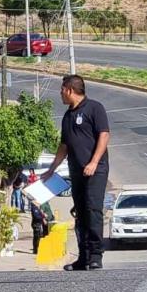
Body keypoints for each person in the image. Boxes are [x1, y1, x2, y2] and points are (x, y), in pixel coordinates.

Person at [42, 75, 110, 271]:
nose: (60, 94)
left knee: (93, 210)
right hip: (76, 171)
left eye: (62, 90)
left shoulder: (94, 108)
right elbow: (64, 146)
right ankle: (84, 256)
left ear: (70, 90)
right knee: (80, 213)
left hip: (95, 170)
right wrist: (51, 170)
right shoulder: (67, 115)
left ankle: (96, 255)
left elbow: (104, 135)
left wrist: (94, 162)